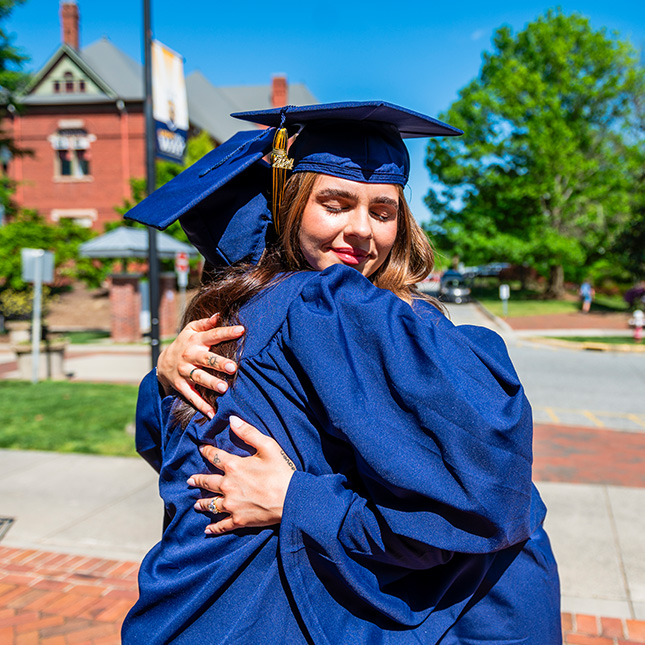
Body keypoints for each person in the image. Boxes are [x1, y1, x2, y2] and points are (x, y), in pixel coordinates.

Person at [122, 102, 561, 644]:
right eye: (334, 203)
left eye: (383, 210)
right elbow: (493, 492)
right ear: (290, 205)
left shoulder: (261, 307)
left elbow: (158, 447)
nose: (361, 231)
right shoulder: (320, 307)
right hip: (252, 610)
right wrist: (168, 375)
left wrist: (296, 497)